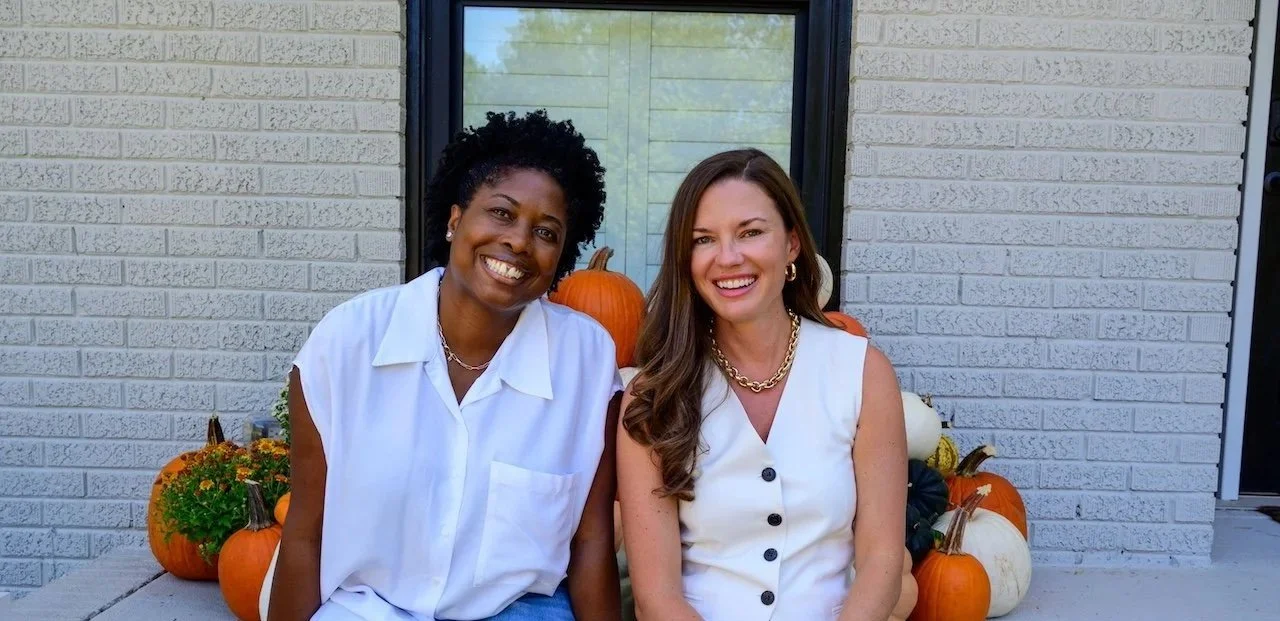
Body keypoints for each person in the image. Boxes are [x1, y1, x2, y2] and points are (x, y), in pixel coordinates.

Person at [268, 110, 623, 621]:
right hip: (369, 610)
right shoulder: (346, 344)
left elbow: (591, 543)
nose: (520, 241)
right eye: (501, 213)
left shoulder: (586, 361)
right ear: (456, 219)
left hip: (517, 611)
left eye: (546, 232)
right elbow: (307, 532)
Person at [616, 148, 907, 621]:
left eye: (750, 232)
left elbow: (882, 562)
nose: (728, 258)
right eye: (704, 240)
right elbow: (657, 596)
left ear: (791, 244)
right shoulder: (654, 395)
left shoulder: (863, 374)